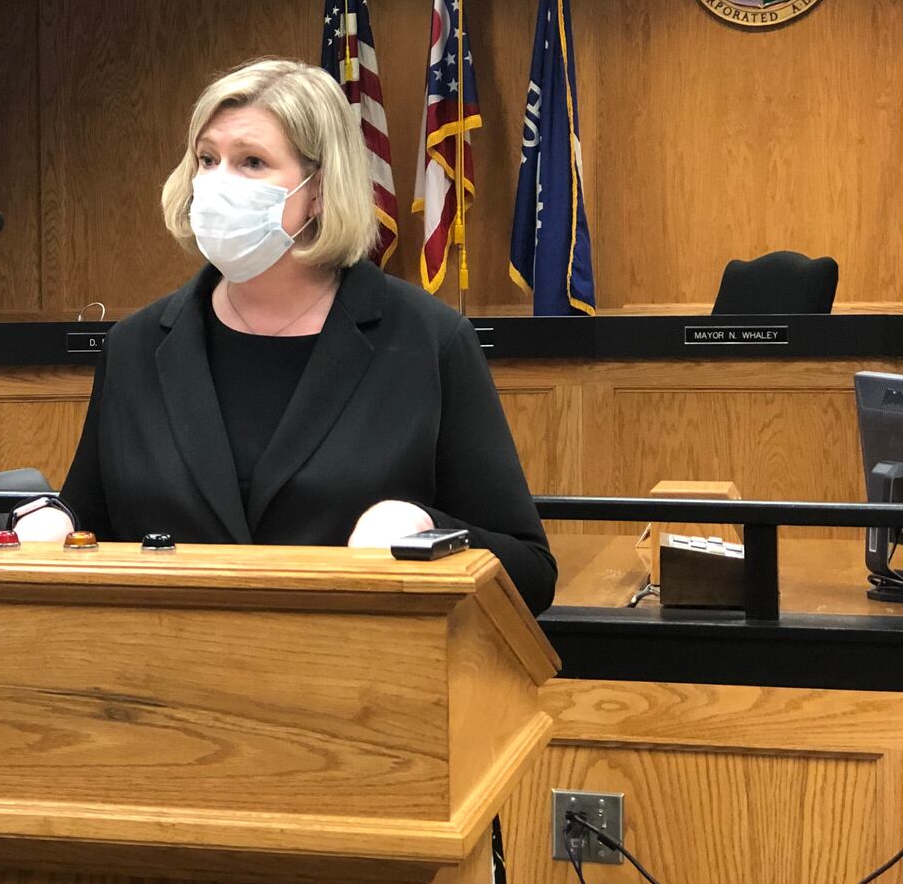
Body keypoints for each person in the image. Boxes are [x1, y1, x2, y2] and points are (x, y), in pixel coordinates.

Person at [48, 58, 555, 614]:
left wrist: (426, 531)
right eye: (207, 160)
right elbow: (84, 535)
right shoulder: (136, 347)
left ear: (319, 190)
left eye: (252, 162)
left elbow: (529, 573)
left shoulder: (427, 341)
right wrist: (48, 524)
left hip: (360, 682)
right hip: (167, 682)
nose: (217, 184)